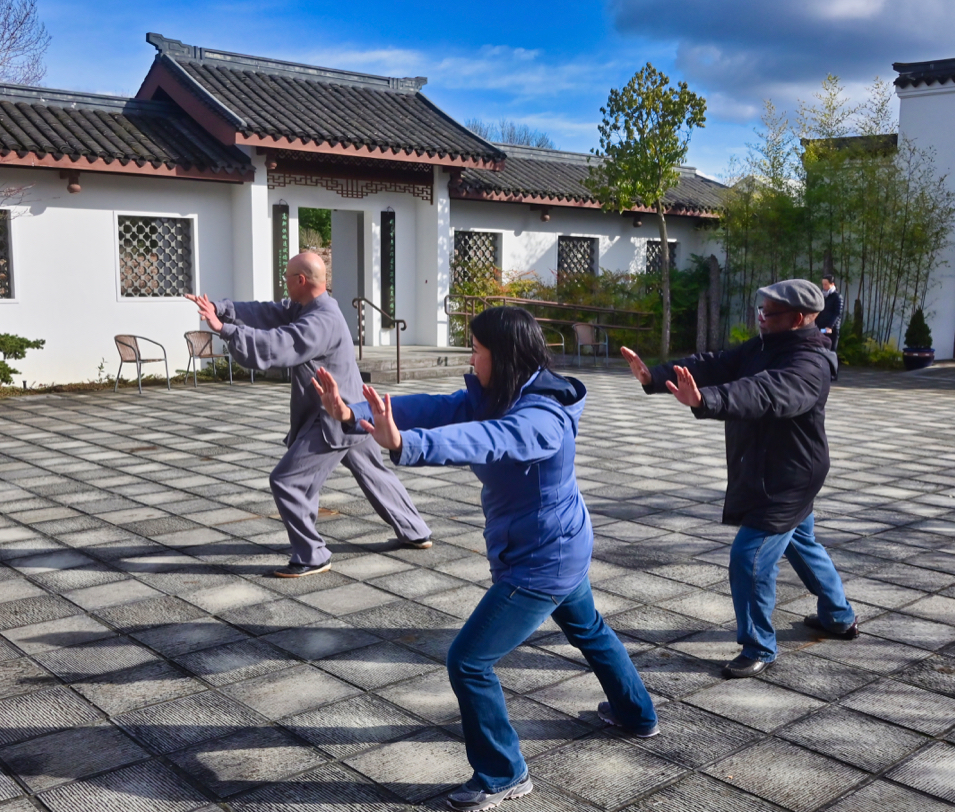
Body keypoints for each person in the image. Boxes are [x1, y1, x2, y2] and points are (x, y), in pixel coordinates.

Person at [314, 306, 657, 812]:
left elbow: (492, 438)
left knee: (469, 661)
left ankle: (503, 773)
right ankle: (636, 714)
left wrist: (407, 445)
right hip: (556, 544)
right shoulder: (498, 393)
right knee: (590, 630)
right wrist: (352, 414)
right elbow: (436, 409)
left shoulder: (542, 416)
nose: (469, 359)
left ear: (505, 354)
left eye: (476, 350)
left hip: (542, 559)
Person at [619, 279, 858, 680]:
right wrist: (655, 377)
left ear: (798, 318)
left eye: (770, 313)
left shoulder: (809, 363)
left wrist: (706, 401)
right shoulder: (766, 345)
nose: (761, 318)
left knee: (748, 558)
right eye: (759, 310)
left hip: (788, 477)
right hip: (775, 468)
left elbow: (765, 392)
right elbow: (716, 363)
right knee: (802, 543)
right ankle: (838, 617)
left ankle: (759, 644)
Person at [184, 252, 431, 577]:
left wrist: (228, 331)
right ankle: (416, 531)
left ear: (301, 280)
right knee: (374, 471)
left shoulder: (321, 320)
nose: (284, 285)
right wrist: (222, 310)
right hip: (354, 409)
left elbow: (283, 343)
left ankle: (312, 555)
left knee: (288, 482)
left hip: (336, 418)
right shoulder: (311, 307)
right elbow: (269, 313)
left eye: (287, 278)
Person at [816, 273, 844, 351]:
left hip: (831, 329)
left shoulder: (837, 297)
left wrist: (830, 326)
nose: (824, 286)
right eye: (823, 284)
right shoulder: (822, 295)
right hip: (821, 327)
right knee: (820, 349)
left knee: (831, 351)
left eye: (826, 284)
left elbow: (837, 313)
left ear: (832, 284)